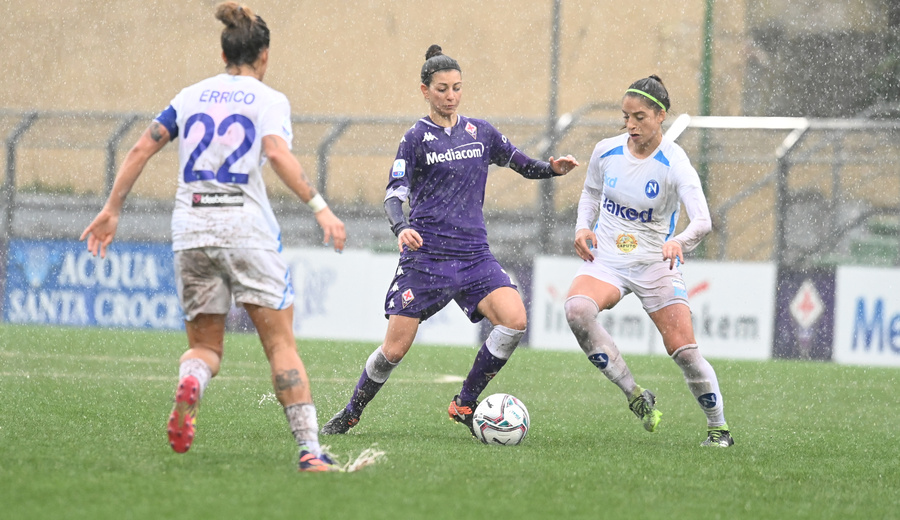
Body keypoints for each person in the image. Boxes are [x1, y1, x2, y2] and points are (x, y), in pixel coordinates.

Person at [80, 2, 349, 471]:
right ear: (263, 56)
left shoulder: (190, 96)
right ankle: (309, 449)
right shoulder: (269, 100)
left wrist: (111, 208)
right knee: (280, 346)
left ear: (223, 53)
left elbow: (143, 146)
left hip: (191, 228)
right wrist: (320, 207)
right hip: (246, 229)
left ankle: (192, 382)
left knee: (205, 347)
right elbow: (276, 153)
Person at [321, 45, 579, 437]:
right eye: (442, 89)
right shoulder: (415, 138)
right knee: (393, 351)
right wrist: (399, 227)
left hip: (474, 255)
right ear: (425, 91)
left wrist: (552, 170)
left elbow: (521, 164)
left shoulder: (481, 132)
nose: (451, 96)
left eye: (457, 88)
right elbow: (394, 194)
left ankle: (464, 402)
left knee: (515, 320)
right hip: (427, 259)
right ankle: (352, 411)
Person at [564, 75, 734, 447]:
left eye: (639, 117)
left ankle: (718, 429)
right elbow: (591, 192)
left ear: (661, 116)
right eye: (626, 116)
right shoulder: (606, 151)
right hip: (607, 258)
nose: (631, 125)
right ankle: (636, 395)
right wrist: (582, 227)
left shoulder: (674, 163)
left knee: (685, 352)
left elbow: (703, 221)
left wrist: (679, 241)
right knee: (577, 310)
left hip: (655, 263)